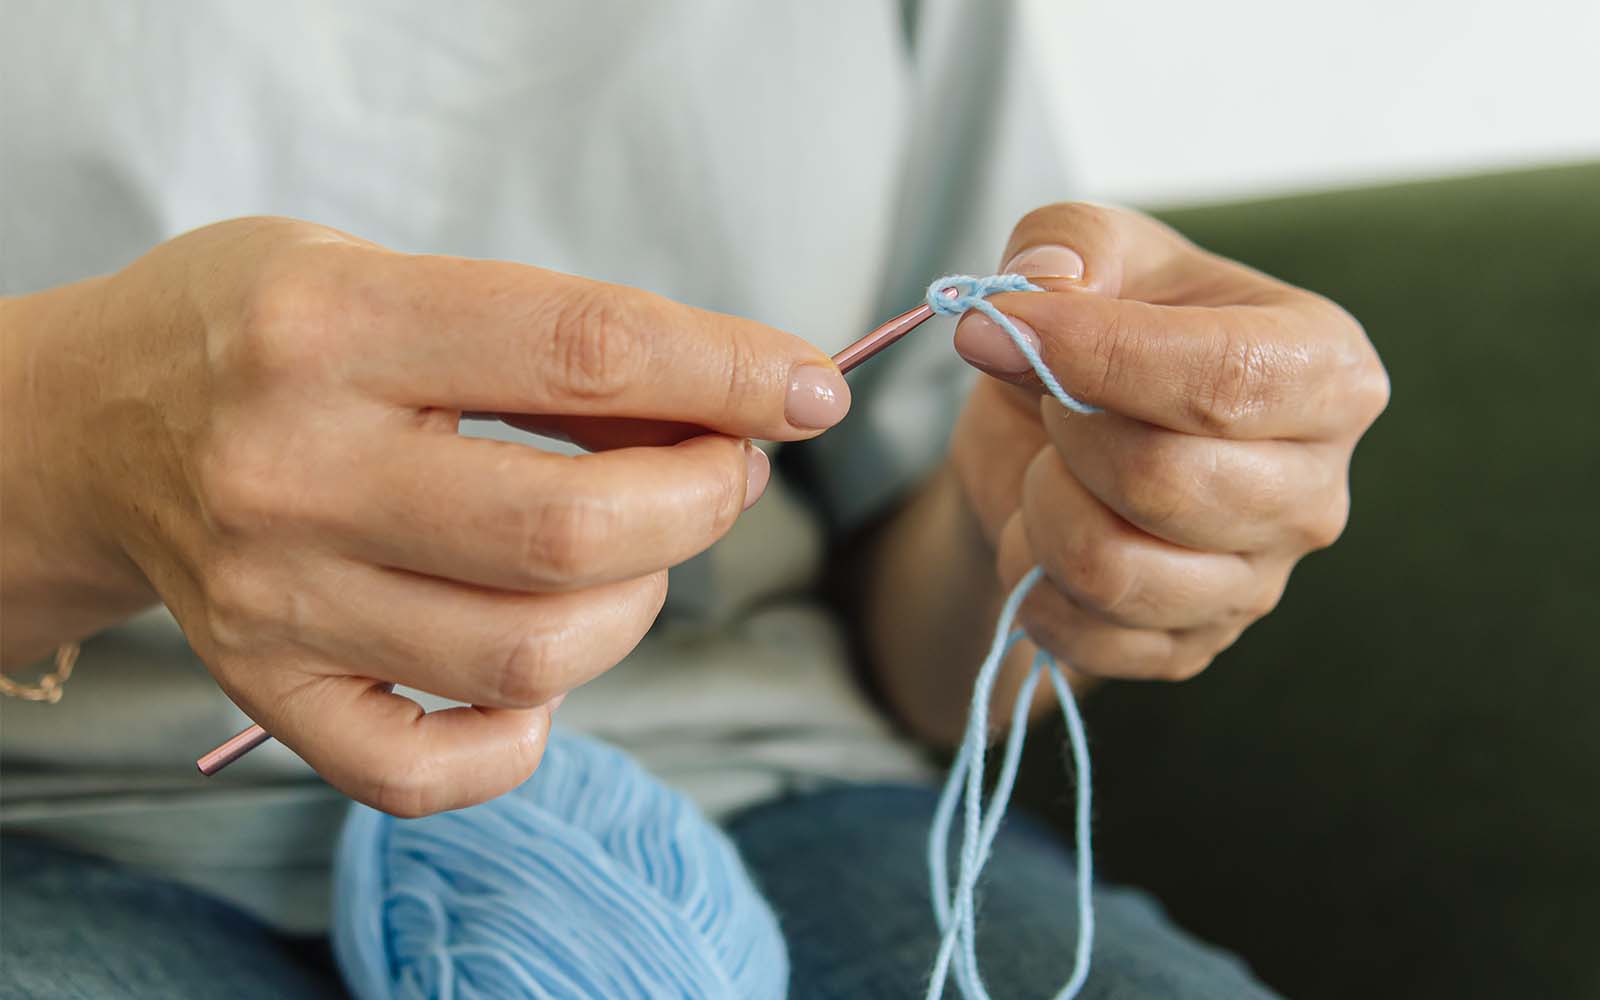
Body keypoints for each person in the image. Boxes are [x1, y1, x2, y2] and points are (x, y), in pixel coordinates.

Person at [0, 1, 1387, 996]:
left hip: (771, 792)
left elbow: (923, 640)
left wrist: (1034, 523)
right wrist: (61, 462)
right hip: (52, 812)